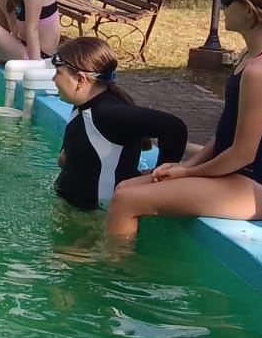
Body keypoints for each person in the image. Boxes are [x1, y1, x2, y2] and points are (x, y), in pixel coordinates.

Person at [106, 0, 262, 239]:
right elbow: (226, 134)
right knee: (125, 188)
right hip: (233, 175)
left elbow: (243, 154)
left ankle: (114, 266)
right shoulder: (249, 57)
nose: (220, 6)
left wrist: (189, 174)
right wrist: (185, 167)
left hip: (254, 187)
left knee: (127, 201)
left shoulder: (261, 71)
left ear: (249, 11)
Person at [52, 36, 189, 210]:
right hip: (74, 207)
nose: (54, 79)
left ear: (80, 80)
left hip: (98, 217)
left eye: (58, 73)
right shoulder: (82, 104)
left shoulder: (108, 113)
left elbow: (174, 128)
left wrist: (160, 178)